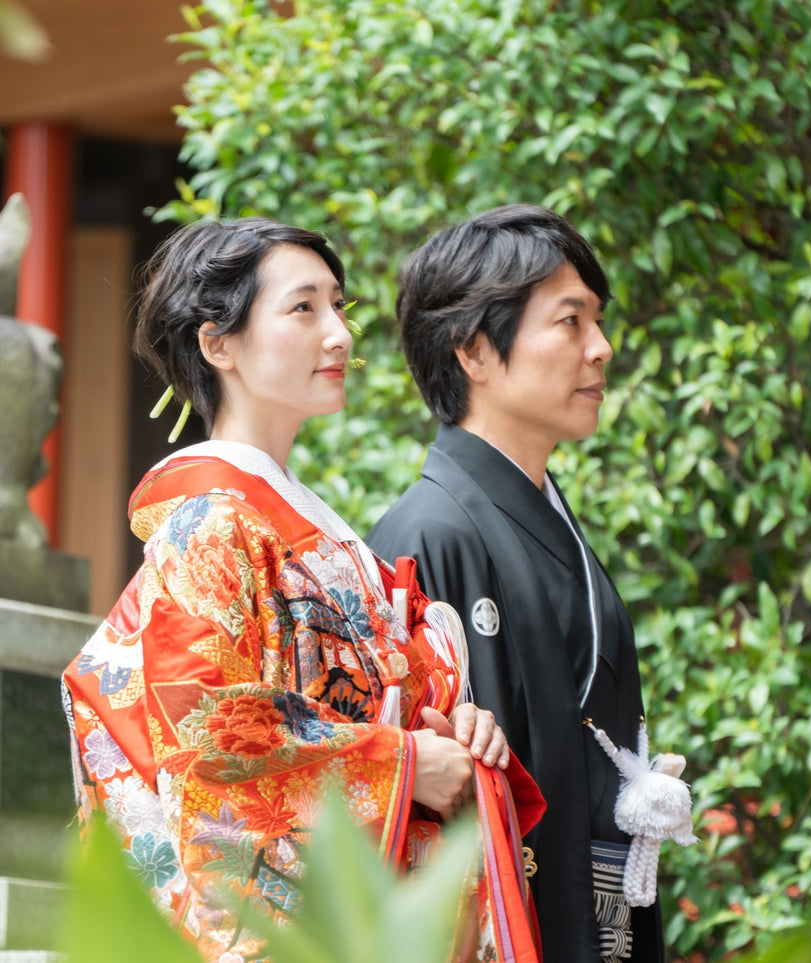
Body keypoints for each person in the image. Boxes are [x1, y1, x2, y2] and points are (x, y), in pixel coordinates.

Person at [61, 218, 544, 963]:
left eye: (339, 305)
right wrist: (404, 761)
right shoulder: (214, 522)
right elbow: (208, 735)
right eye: (303, 308)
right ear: (216, 343)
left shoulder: (306, 522)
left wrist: (461, 729)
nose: (340, 334)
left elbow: (395, 700)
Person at [368, 205, 667, 963]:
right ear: (472, 349)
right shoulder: (427, 533)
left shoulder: (545, 513)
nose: (600, 350)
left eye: (597, 322)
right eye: (569, 323)